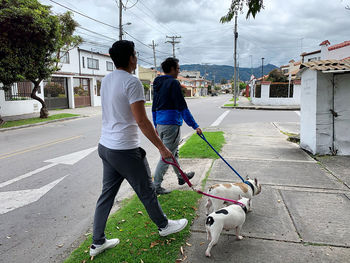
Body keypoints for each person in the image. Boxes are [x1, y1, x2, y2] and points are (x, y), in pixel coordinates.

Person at [90, 41, 188, 257]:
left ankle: (98, 242)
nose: (136, 58)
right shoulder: (132, 82)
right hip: (125, 150)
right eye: (135, 54)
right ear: (131, 58)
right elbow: (142, 121)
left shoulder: (106, 79)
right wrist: (163, 148)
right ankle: (164, 226)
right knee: (147, 190)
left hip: (106, 146)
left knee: (106, 195)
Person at [152, 57, 202, 195]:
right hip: (171, 124)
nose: (179, 71)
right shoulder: (173, 83)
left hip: (161, 124)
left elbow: (154, 106)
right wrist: (195, 126)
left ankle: (181, 177)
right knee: (167, 156)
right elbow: (182, 108)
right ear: (172, 69)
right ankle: (155, 186)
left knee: (173, 152)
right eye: (178, 68)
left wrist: (155, 124)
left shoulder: (157, 83)